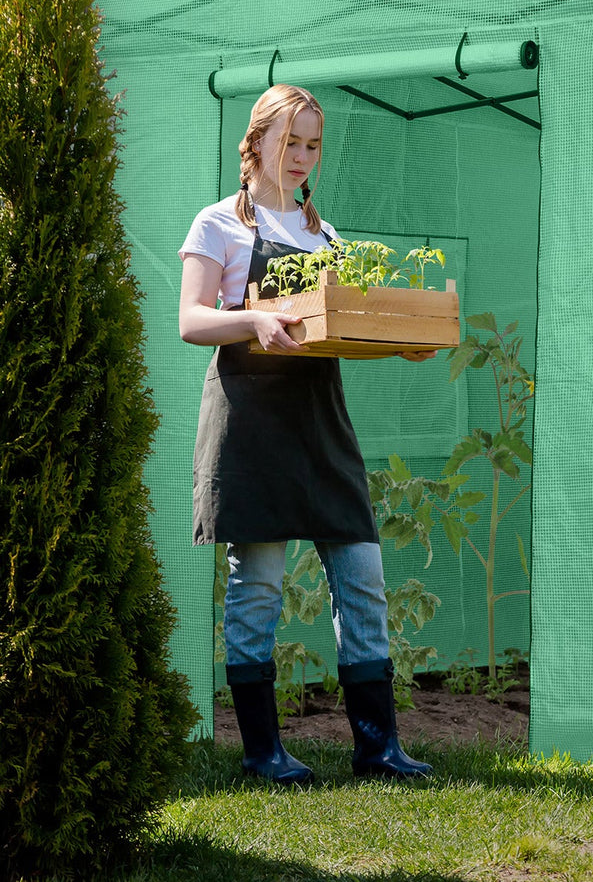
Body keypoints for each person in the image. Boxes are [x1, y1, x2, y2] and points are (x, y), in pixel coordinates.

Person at [179, 83, 434, 784]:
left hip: (321, 423)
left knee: (363, 577)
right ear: (256, 140)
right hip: (250, 422)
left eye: (312, 144)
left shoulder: (327, 238)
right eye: (289, 140)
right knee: (257, 583)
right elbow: (191, 320)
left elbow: (340, 331)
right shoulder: (217, 226)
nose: (300, 156)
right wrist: (253, 319)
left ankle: (377, 747)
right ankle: (263, 753)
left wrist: (398, 344)